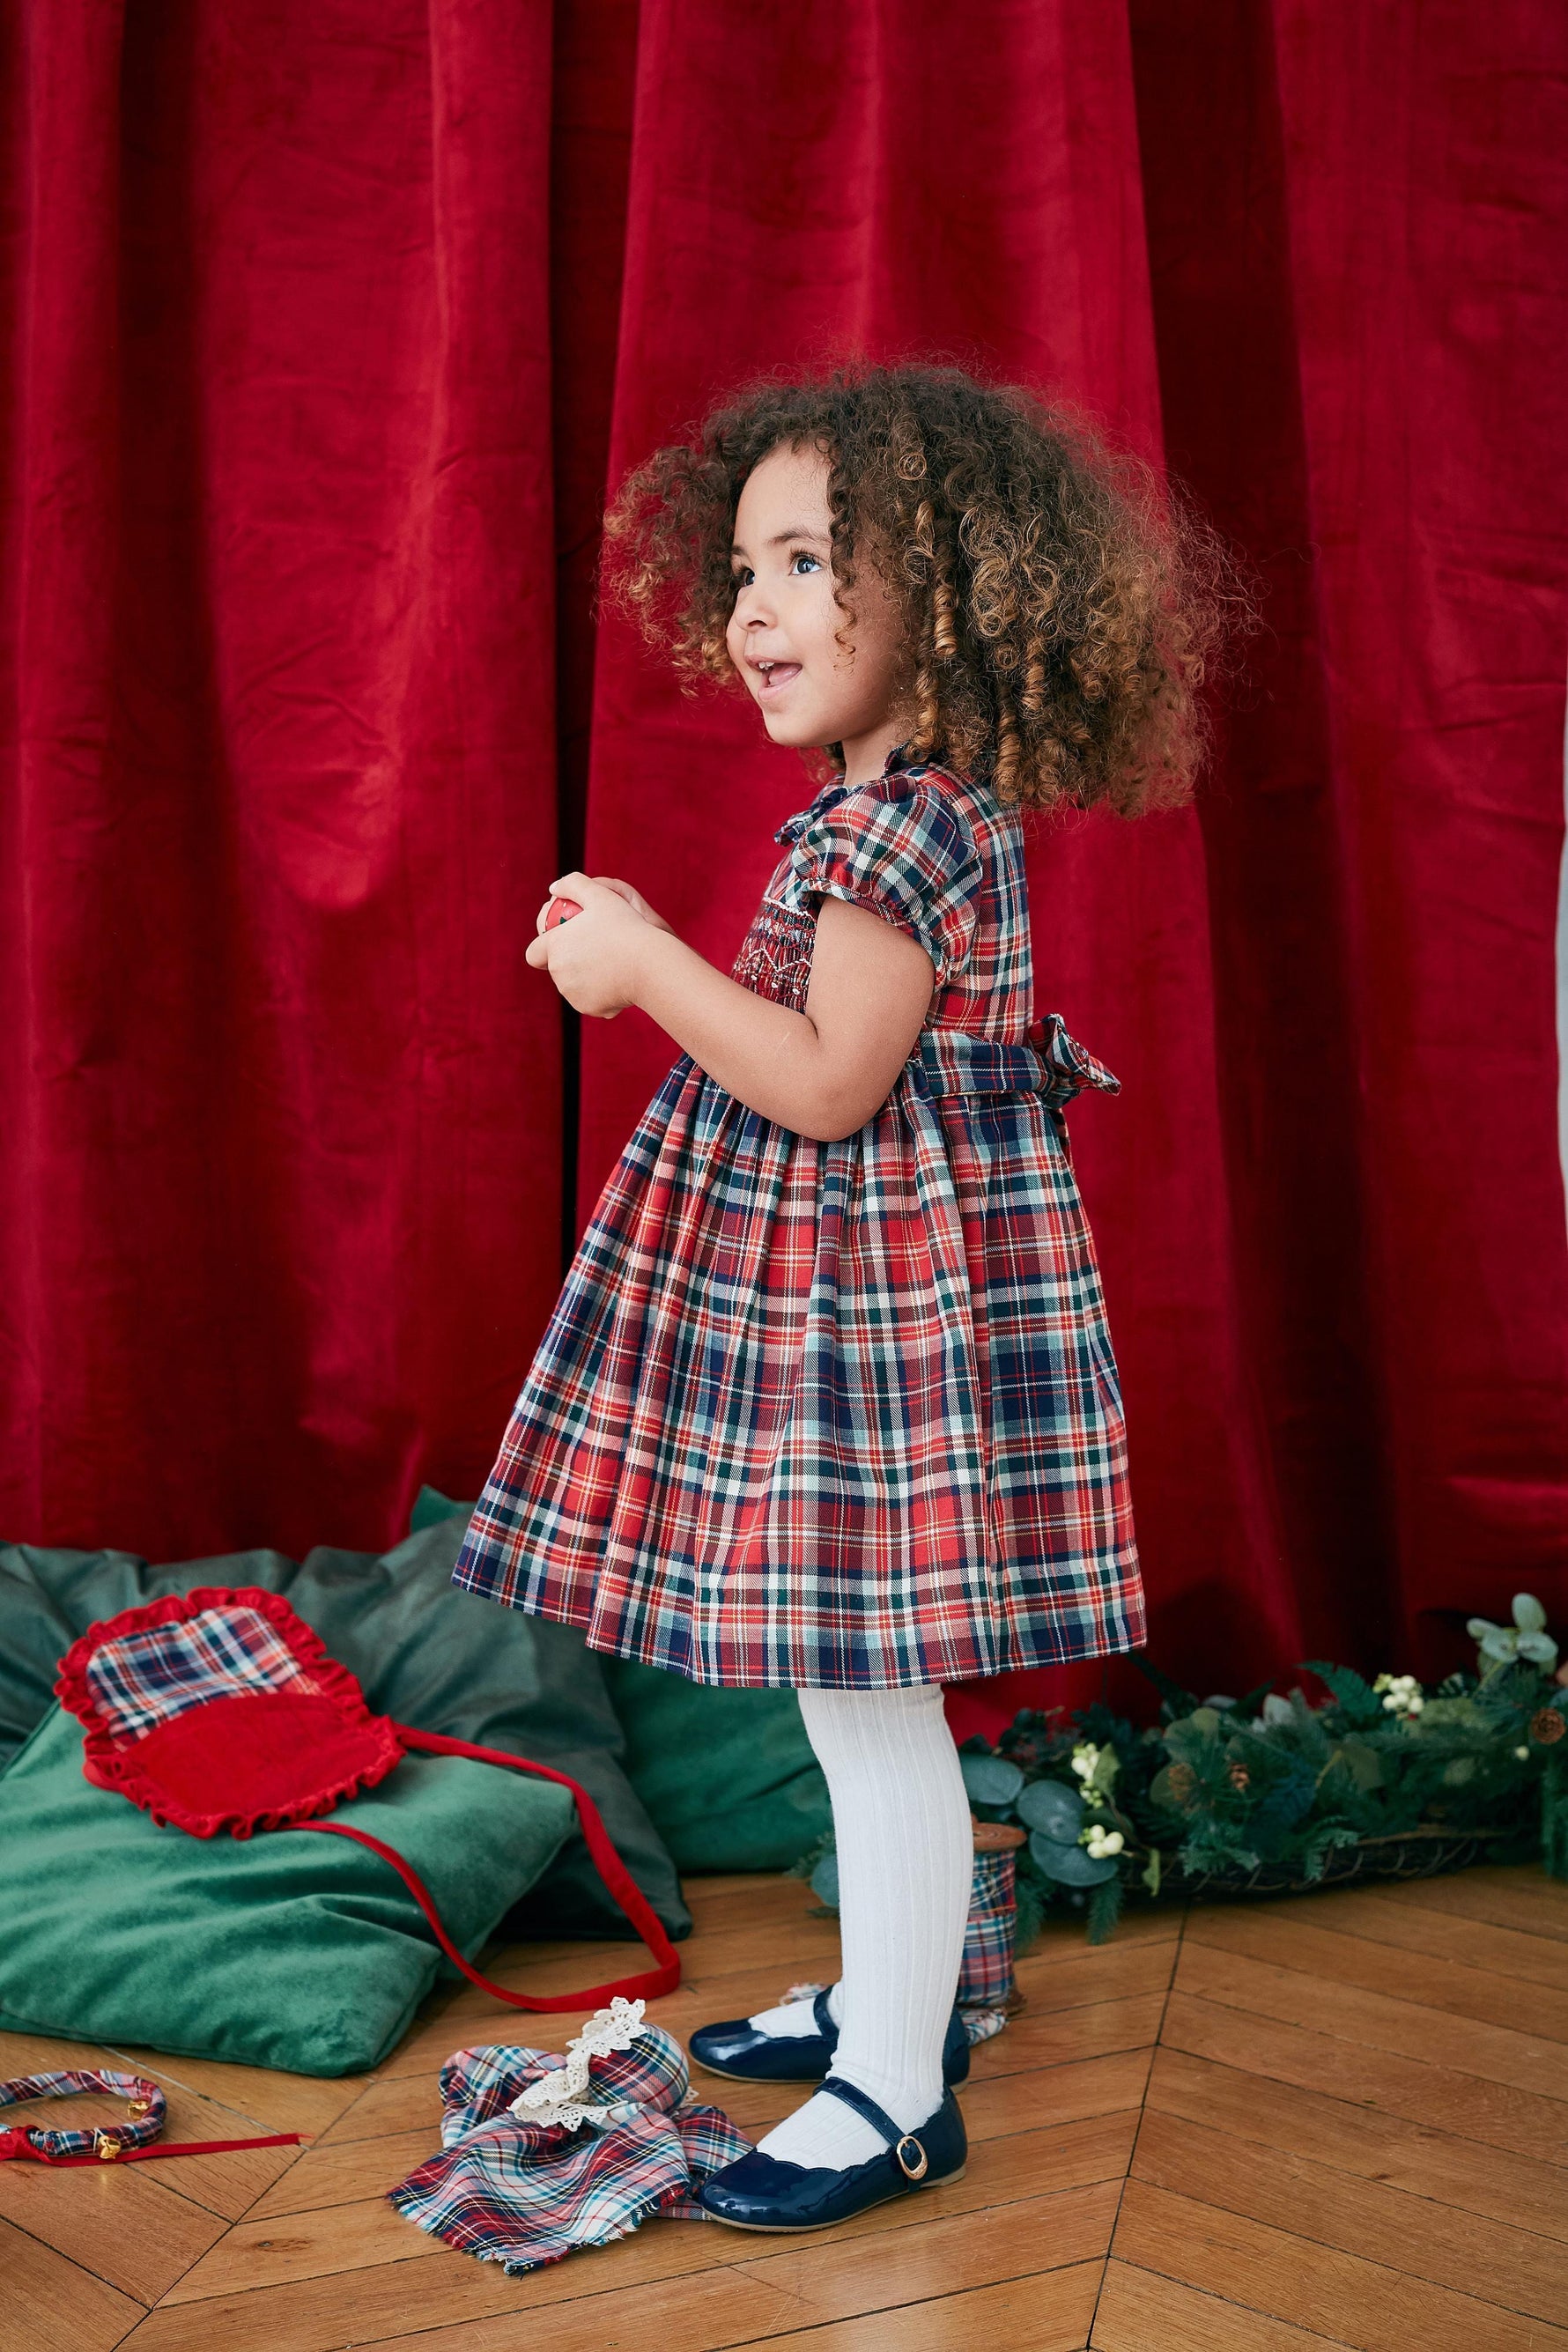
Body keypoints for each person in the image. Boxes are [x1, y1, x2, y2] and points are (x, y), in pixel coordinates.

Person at [452, 361, 1225, 2232]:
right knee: (855, 1693)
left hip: (869, 1328)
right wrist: (643, 942)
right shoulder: (894, 815)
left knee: (864, 1693)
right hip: (859, 1301)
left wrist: (638, 965)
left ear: (951, 595)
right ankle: (903, 1993)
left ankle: (892, 2088)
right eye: (744, 567)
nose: (753, 608)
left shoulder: (894, 831)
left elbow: (821, 1082)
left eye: (809, 561)